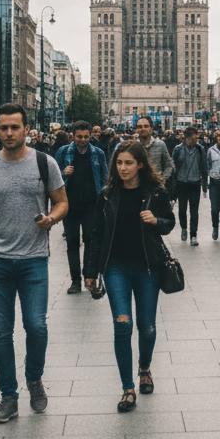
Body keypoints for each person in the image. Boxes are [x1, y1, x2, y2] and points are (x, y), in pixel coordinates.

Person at [0, 104, 68, 423]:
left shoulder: (44, 163)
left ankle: (34, 379)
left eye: (14, 127)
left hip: (34, 259)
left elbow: (62, 202)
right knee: (1, 331)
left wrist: (51, 218)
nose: (9, 133)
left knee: (36, 325)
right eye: (4, 128)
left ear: (25, 129)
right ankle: (8, 396)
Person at [84, 142, 177, 412]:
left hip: (148, 267)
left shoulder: (155, 193)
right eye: (119, 163)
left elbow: (169, 223)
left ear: (140, 165)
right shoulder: (106, 195)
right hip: (116, 269)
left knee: (146, 326)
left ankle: (144, 367)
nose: (122, 168)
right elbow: (96, 236)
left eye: (128, 163)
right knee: (123, 325)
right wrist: (90, 271)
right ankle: (127, 387)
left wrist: (155, 221)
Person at [56, 120, 107, 294]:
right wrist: (64, 173)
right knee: (72, 242)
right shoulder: (63, 153)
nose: (83, 140)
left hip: (91, 205)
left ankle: (88, 276)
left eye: (86, 136)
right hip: (69, 206)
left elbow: (105, 177)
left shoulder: (98, 153)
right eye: (79, 137)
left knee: (90, 241)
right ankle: (75, 280)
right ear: (73, 136)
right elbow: (53, 179)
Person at [172, 127, 209, 246]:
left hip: (195, 183)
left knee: (194, 211)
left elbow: (204, 167)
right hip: (181, 183)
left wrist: (204, 186)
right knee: (182, 210)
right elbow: (173, 168)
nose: (195, 140)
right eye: (193, 138)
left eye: (196, 138)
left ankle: (193, 235)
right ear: (187, 138)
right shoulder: (178, 149)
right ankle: (183, 228)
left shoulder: (200, 149)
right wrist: (172, 187)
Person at [134, 116, 175, 183]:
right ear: (136, 130)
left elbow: (169, 165)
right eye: (140, 127)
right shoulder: (134, 146)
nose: (143, 128)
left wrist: (163, 180)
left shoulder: (160, 145)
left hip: (156, 186)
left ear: (151, 129)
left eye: (146, 126)